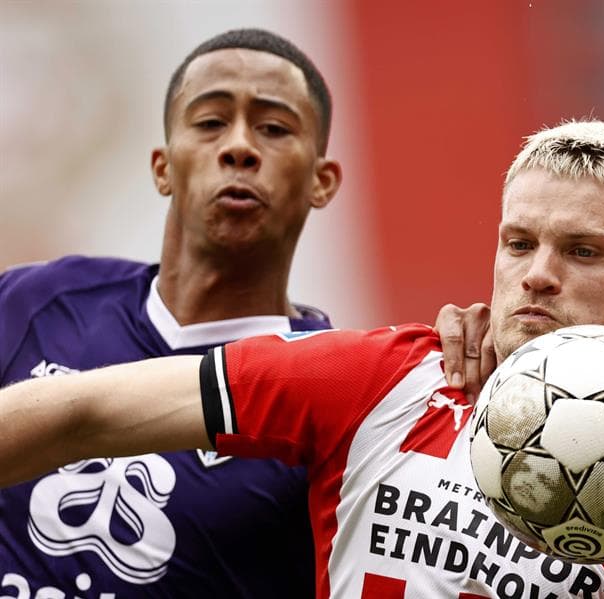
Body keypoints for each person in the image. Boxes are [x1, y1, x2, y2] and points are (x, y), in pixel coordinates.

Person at [0, 120, 604, 597]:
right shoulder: (384, 378)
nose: (538, 272)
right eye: (518, 242)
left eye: (583, 250)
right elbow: (87, 410)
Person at [0, 28, 488, 598]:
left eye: (274, 128)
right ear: (162, 167)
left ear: (322, 181)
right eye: (209, 123)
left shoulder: (339, 399)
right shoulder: (34, 301)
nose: (239, 148)